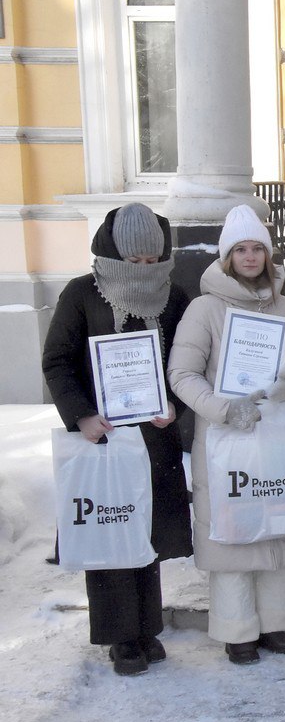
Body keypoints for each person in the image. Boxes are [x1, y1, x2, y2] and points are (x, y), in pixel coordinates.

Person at [41, 202, 192, 676]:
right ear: (113, 254)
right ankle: (120, 636)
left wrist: (175, 405)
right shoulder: (82, 293)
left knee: (145, 531)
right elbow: (58, 360)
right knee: (108, 529)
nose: (143, 271)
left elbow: (183, 365)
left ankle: (147, 627)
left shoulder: (174, 297)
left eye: (152, 261)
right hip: (101, 438)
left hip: (154, 435)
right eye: (133, 262)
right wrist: (80, 415)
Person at [167, 205, 285, 666]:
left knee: (273, 520)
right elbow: (182, 374)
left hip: (273, 434)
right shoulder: (205, 309)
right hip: (224, 436)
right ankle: (237, 628)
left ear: (268, 254)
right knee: (231, 527)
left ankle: (276, 622)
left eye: (258, 248)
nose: (250, 257)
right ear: (227, 256)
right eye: (241, 249)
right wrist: (224, 409)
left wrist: (284, 385)